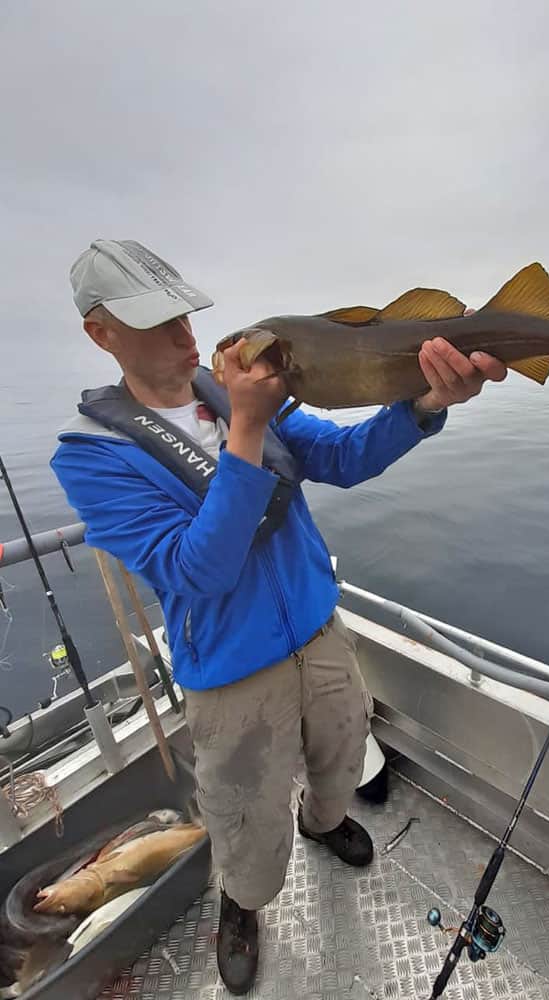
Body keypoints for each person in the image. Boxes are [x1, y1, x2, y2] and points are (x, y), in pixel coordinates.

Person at [50, 239, 507, 994]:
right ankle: (242, 898)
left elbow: (349, 457)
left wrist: (424, 405)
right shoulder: (93, 457)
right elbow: (197, 570)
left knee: (341, 756)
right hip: (230, 673)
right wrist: (247, 431)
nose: (184, 334)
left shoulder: (242, 394)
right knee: (243, 813)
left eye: (183, 312)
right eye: (153, 319)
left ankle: (323, 824)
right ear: (101, 333)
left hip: (318, 634)